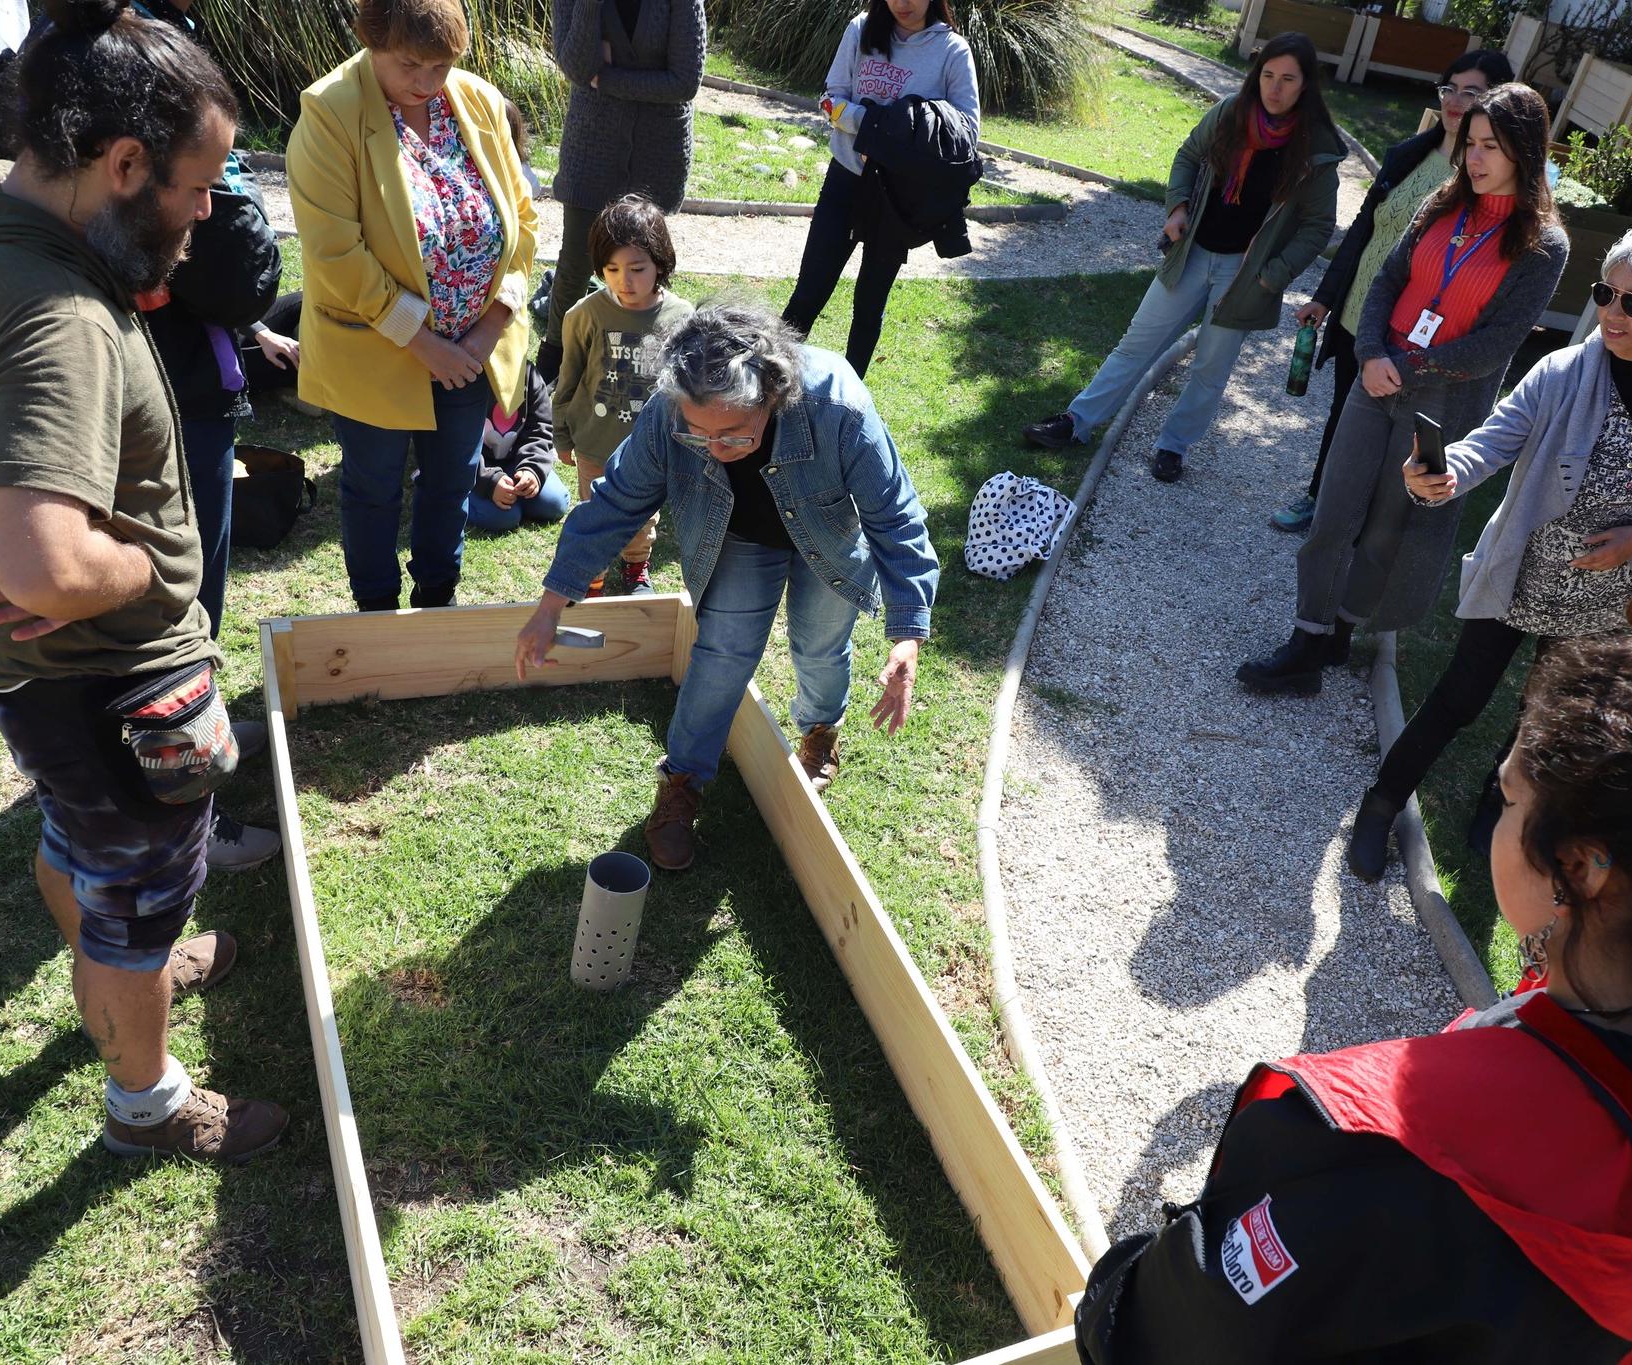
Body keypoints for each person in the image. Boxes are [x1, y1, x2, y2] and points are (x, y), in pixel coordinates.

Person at [1077, 605, 1632, 1364]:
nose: (1499, 817)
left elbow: (1176, 1327)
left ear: (1581, 867)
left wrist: (1117, 1291)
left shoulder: (1388, 1153)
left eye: (1511, 798)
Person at [0, 0, 287, 1163]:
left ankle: (134, 956)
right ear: (124, 165)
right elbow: (49, 564)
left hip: (51, 693)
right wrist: (142, 559)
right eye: (198, 184)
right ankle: (148, 1102)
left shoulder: (10, 247)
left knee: (82, 849)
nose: (208, 211)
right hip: (108, 689)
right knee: (129, 897)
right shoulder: (60, 316)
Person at [1344, 219, 1632, 882]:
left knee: (1545, 716)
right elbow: (1494, 439)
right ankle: (1380, 803)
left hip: (1618, 590)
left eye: (1631, 301)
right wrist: (1446, 477)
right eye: (1604, 292)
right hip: (1527, 568)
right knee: (1461, 696)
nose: (1609, 313)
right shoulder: (1564, 370)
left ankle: (1494, 813)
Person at [515, 302, 938, 870]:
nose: (714, 447)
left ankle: (819, 732)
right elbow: (615, 502)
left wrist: (908, 633)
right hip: (736, 536)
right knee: (720, 654)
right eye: (700, 432)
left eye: (734, 434)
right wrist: (551, 604)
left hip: (829, 538)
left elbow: (896, 516)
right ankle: (683, 782)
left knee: (820, 645)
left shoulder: (837, 402)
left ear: (773, 396)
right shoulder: (669, 413)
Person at [1238, 83, 1569, 694]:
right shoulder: (1441, 205)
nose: (1473, 158)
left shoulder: (1544, 246)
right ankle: (1306, 638)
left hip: (1441, 400)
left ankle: (1341, 631)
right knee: (1335, 511)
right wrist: (1369, 353)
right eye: (1470, 143)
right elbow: (1385, 281)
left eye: (1490, 146)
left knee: (1389, 527)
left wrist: (1409, 368)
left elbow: (1495, 344)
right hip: (1378, 375)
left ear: (1524, 151)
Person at [286, 0, 537, 613]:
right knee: (373, 486)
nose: (428, 83)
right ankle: (375, 612)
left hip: (470, 351)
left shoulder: (476, 99)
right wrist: (422, 342)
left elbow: (524, 224)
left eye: (442, 65)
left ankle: (437, 601)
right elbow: (335, 253)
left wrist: (486, 332)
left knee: (452, 481)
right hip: (376, 347)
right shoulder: (330, 111)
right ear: (370, 40)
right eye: (410, 66)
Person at [1022, 32, 1345, 483]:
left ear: (1305, 86)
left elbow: (1317, 226)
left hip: (1245, 274)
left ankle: (1172, 447)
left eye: (1288, 79)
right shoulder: (1232, 113)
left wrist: (1273, 275)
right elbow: (1188, 156)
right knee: (1135, 344)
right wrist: (1177, 209)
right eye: (1268, 75)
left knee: (1211, 369)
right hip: (1192, 252)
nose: (1275, 88)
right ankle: (1076, 423)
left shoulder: (1316, 149)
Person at [1270, 48, 1515, 534]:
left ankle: (1375, 527)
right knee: (1343, 415)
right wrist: (1326, 295)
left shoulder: (1483, 178)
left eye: (1472, 93)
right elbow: (1364, 230)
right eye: (1450, 89)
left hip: (1414, 332)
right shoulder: (1409, 155)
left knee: (1399, 431)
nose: (1456, 101)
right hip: (1358, 311)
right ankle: (1321, 500)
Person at [779, 0, 980, 378]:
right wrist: (879, 125)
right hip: (845, 181)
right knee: (808, 294)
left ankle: (851, 403)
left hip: (899, 197)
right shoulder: (861, 29)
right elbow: (830, 99)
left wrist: (891, 130)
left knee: (869, 307)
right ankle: (766, 391)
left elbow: (966, 131)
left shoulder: (952, 51)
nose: (902, 4)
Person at [537, 0, 705, 384]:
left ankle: (646, 360)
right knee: (575, 264)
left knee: (647, 263)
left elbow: (684, 82)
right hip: (592, 143)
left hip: (655, 151)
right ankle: (554, 362)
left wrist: (607, 78)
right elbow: (577, 67)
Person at [553, 193, 692, 593]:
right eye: (611, 268)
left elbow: (687, 389)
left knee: (642, 515)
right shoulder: (584, 314)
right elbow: (569, 375)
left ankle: (635, 567)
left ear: (660, 264)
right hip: (594, 442)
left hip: (649, 447)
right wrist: (561, 432)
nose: (623, 280)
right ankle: (592, 573)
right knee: (594, 511)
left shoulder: (681, 318)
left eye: (637, 268)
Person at [468, 360, 570, 534]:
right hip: (472, 469)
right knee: (505, 517)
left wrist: (532, 469)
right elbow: (458, 447)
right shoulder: (465, 375)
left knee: (553, 503)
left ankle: (516, 490)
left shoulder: (528, 374)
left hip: (514, 462)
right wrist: (489, 481)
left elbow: (541, 428)